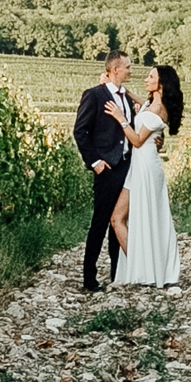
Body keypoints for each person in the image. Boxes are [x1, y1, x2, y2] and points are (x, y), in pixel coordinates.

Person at [110, 63, 182, 288]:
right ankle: (143, 268)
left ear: (161, 84)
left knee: (118, 218)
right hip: (139, 165)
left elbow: (138, 140)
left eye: (151, 77)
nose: (146, 79)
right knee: (121, 218)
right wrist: (124, 91)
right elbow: (143, 105)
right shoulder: (152, 105)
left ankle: (142, 270)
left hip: (146, 168)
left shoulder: (158, 109)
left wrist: (120, 118)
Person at [72, 52, 135, 293]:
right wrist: (95, 161)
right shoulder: (94, 95)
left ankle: (117, 273)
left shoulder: (127, 98)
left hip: (126, 167)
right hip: (106, 168)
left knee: (118, 221)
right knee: (100, 221)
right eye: (127, 67)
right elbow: (80, 131)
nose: (130, 70)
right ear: (115, 69)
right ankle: (89, 279)